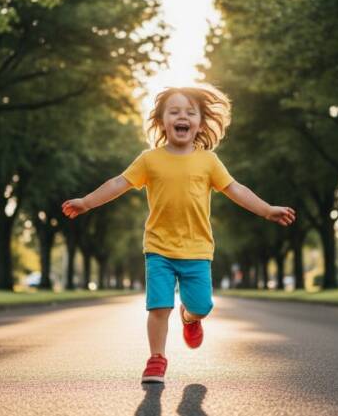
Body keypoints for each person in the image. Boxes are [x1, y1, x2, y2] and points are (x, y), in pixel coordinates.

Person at [61, 85, 296, 384]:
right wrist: (86, 202)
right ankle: (156, 359)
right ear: (161, 121)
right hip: (158, 248)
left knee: (202, 306)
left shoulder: (208, 161)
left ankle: (190, 317)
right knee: (159, 306)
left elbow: (235, 189)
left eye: (189, 112)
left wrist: (266, 209)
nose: (181, 117)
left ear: (199, 122)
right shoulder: (149, 160)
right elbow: (119, 183)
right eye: (174, 112)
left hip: (197, 250)